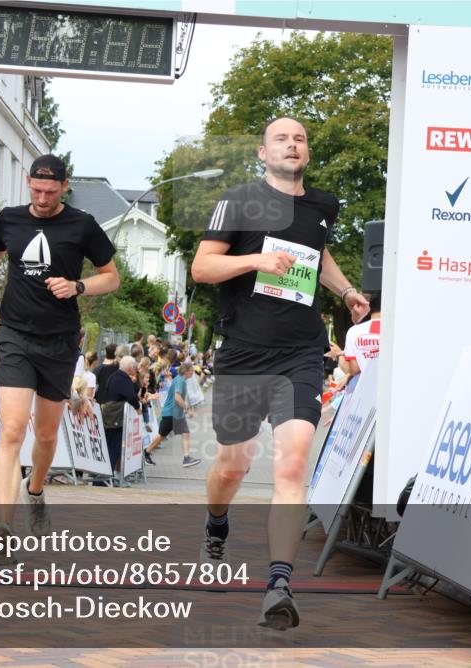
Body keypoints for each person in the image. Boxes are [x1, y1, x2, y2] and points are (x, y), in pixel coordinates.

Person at [191, 116, 369, 630]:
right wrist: (254, 261)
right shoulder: (237, 201)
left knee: (292, 466)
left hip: (300, 353)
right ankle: (216, 521)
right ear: (262, 151)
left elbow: (318, 253)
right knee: (233, 466)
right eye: (281, 139)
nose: (292, 145)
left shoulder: (323, 205)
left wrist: (344, 290)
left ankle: (279, 585)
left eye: (300, 139)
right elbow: (203, 268)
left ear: (307, 153)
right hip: (244, 354)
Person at [0, 154, 119, 562]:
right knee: (13, 429)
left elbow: (112, 276)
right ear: (28, 182)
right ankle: (3, 525)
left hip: (58, 341)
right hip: (16, 335)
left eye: (50, 192)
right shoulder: (12, 218)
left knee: (48, 435)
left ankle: (35, 490)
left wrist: (78, 286)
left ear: (64, 187)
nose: (41, 198)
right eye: (35, 190)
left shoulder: (82, 224)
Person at [143, 360, 200, 468]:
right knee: (163, 435)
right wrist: (187, 408)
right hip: (172, 413)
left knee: (174, 434)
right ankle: (146, 452)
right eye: (191, 371)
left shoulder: (179, 380)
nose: (193, 373)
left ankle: (186, 458)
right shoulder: (180, 381)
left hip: (174, 413)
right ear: (186, 371)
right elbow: (177, 397)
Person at [99, 355, 140, 475]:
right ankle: (106, 476)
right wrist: (138, 408)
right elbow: (131, 396)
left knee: (110, 446)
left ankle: (104, 476)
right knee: (113, 447)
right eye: (134, 367)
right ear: (130, 368)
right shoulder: (122, 379)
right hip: (115, 418)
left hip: (110, 415)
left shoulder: (115, 376)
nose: (135, 369)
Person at [340, 290, 381, 387]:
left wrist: (339, 356)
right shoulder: (397, 330)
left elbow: (354, 369)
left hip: (364, 390)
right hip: (391, 389)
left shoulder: (354, 331)